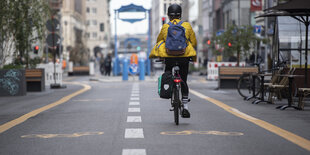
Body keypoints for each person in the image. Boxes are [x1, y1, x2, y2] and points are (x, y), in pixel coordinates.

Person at [149, 4, 197, 118]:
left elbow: (159, 41)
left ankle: (170, 91)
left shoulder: (165, 27)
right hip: (184, 57)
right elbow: (193, 42)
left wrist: (161, 56)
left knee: (168, 74)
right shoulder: (187, 26)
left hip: (169, 58)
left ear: (168, 15)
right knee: (184, 80)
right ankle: (185, 107)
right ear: (180, 15)